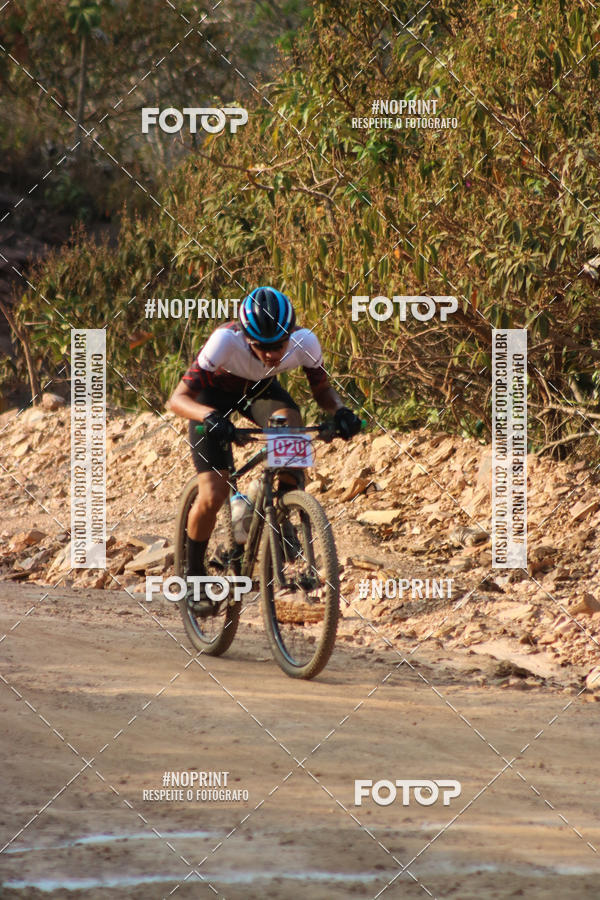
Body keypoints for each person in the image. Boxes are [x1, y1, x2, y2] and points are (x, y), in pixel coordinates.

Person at [166, 286, 362, 613]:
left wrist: (340, 411)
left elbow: (323, 391)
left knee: (291, 421)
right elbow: (177, 399)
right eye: (261, 347)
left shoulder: (305, 342)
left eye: (279, 346)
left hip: (260, 393)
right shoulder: (224, 341)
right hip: (210, 400)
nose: (272, 355)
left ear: (291, 334)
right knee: (213, 495)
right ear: (245, 339)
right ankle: (194, 575)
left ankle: (283, 510)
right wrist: (210, 418)